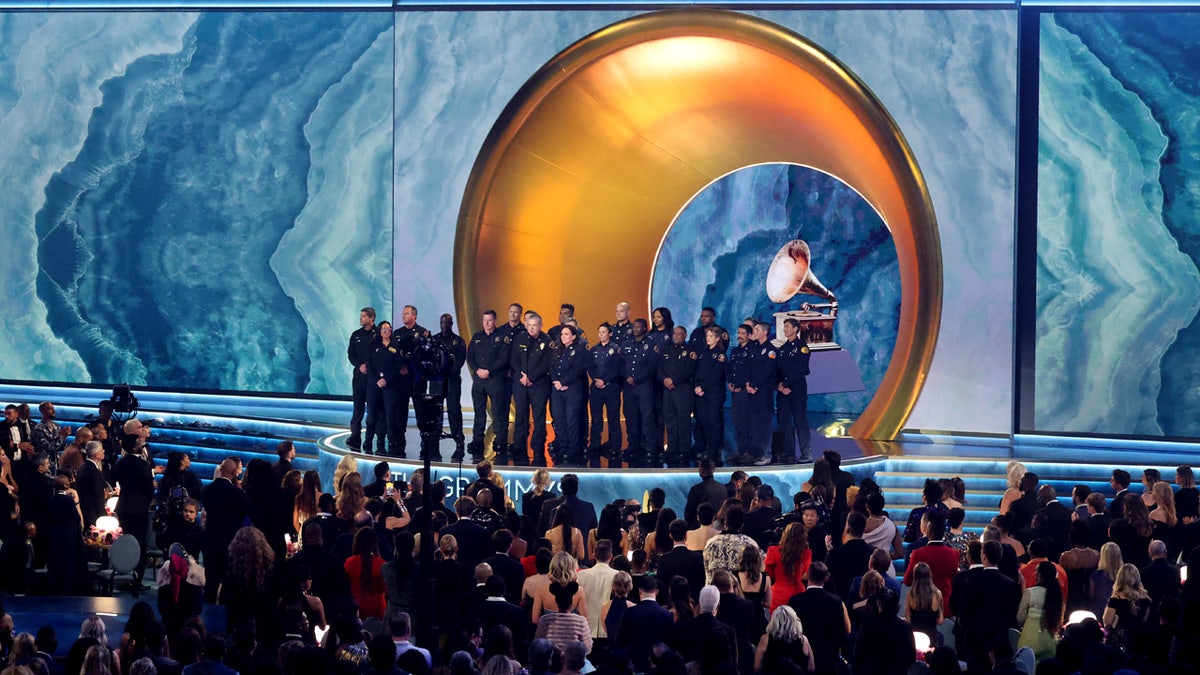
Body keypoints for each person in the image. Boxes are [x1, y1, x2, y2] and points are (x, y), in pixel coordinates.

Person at [786, 561, 849, 675]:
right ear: (826, 578)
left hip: (802, 659)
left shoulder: (795, 601)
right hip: (829, 660)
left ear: (808, 575)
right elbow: (845, 631)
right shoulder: (836, 602)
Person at [510, 312, 554, 466]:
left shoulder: (547, 341)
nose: (531, 328)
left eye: (534, 325)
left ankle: (537, 448)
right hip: (521, 383)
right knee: (521, 416)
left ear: (540, 326)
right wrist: (522, 376)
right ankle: (519, 447)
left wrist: (531, 377)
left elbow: (547, 363)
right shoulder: (520, 338)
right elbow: (514, 359)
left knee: (539, 418)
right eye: (528, 325)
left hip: (538, 385)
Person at [467, 310, 511, 462]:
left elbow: (504, 358)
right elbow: (470, 356)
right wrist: (477, 370)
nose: (486, 323)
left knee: (498, 412)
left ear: (495, 321)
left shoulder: (502, 337)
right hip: (479, 380)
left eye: (489, 320)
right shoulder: (477, 337)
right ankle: (477, 441)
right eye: (484, 320)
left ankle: (500, 441)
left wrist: (489, 370)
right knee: (479, 413)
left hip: (495, 379)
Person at [619, 318, 660, 467]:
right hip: (629, 388)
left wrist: (637, 378)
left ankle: (649, 448)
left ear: (645, 328)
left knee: (647, 417)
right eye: (634, 327)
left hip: (644, 386)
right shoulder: (626, 344)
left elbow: (652, 366)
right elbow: (621, 364)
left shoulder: (651, 345)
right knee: (631, 417)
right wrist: (627, 377)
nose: (635, 329)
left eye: (639, 327)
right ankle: (633, 447)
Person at [615, 574, 673, 673]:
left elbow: (620, 640)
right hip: (658, 668)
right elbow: (670, 644)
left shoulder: (629, 613)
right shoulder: (667, 615)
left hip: (634, 666)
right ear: (657, 592)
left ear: (639, 591)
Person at [365, 321, 406, 457]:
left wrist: (386, 379)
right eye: (383, 329)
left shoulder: (396, 346)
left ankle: (392, 441)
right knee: (373, 414)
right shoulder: (373, 345)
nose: (386, 331)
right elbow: (369, 365)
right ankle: (369, 439)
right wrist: (378, 379)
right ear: (379, 331)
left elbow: (397, 365)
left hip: (390, 385)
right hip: (374, 385)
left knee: (390, 414)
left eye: (388, 329)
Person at [550, 325, 589, 463]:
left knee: (571, 419)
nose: (563, 337)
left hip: (572, 388)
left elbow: (578, 369)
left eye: (567, 334)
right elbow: (552, 367)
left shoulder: (579, 351)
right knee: (559, 419)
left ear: (573, 336)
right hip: (557, 389)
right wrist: (556, 381)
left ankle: (573, 449)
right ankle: (563, 447)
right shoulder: (557, 350)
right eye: (562, 334)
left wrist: (564, 382)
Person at [774, 318, 812, 464]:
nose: (785, 329)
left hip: (797, 390)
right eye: (784, 326)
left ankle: (806, 453)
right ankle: (789, 453)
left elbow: (801, 369)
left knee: (800, 421)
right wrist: (778, 385)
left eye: (788, 326)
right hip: (783, 391)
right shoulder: (782, 349)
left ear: (796, 329)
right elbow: (777, 370)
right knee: (784, 422)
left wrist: (786, 383)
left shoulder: (802, 347)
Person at [657, 325, 695, 466]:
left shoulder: (690, 351)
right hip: (667, 391)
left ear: (685, 335)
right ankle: (672, 449)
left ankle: (684, 451)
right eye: (674, 334)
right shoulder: (666, 350)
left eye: (679, 334)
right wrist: (665, 380)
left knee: (683, 421)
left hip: (682, 390)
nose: (676, 336)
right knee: (670, 421)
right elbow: (659, 368)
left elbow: (689, 370)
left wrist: (674, 380)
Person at [741, 321, 777, 466]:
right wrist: (748, 383)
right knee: (753, 423)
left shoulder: (770, 351)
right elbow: (748, 368)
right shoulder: (754, 348)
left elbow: (766, 372)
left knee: (764, 423)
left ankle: (766, 454)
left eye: (756, 330)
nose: (753, 332)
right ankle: (754, 452)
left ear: (764, 332)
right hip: (752, 392)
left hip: (764, 393)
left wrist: (754, 384)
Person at [586, 323, 623, 461]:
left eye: (604, 332)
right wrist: (596, 379)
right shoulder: (594, 349)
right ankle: (595, 446)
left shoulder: (616, 349)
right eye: (599, 332)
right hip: (596, 388)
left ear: (610, 333)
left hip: (611, 388)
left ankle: (615, 446)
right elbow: (590, 367)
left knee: (613, 418)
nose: (601, 334)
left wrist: (605, 380)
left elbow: (617, 369)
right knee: (596, 419)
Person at [1017, 560, 1063, 661]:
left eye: (1036, 571)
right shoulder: (1057, 595)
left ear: (1039, 574)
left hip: (1030, 642)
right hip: (1050, 642)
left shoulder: (1030, 593)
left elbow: (1020, 618)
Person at [347, 307, 378, 452]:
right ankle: (355, 435)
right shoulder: (356, 335)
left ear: (371, 318)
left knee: (373, 407)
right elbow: (351, 354)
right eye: (361, 316)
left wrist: (370, 366)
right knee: (358, 406)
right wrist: (359, 365)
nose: (361, 319)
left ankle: (371, 437)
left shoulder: (378, 334)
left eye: (364, 316)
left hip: (373, 376)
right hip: (359, 375)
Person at [1102, 563, 1152, 651]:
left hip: (1121, 640)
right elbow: (1145, 620)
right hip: (1140, 639)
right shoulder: (1145, 598)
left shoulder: (1116, 599)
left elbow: (1107, 622)